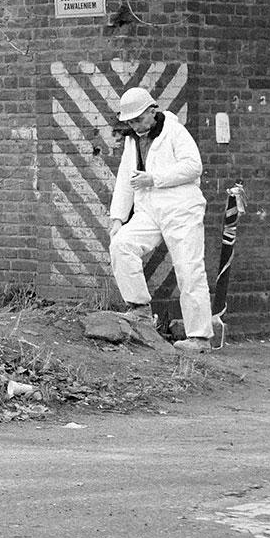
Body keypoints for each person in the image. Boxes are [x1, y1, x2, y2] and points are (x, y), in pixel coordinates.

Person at [108, 87, 212, 353]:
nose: (134, 126)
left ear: (152, 111)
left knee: (189, 268)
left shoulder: (175, 131)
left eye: (138, 119)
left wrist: (154, 179)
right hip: (149, 209)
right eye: (130, 122)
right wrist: (118, 218)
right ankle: (139, 310)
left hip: (181, 208)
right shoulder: (133, 140)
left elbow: (193, 167)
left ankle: (199, 338)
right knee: (121, 244)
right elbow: (126, 179)